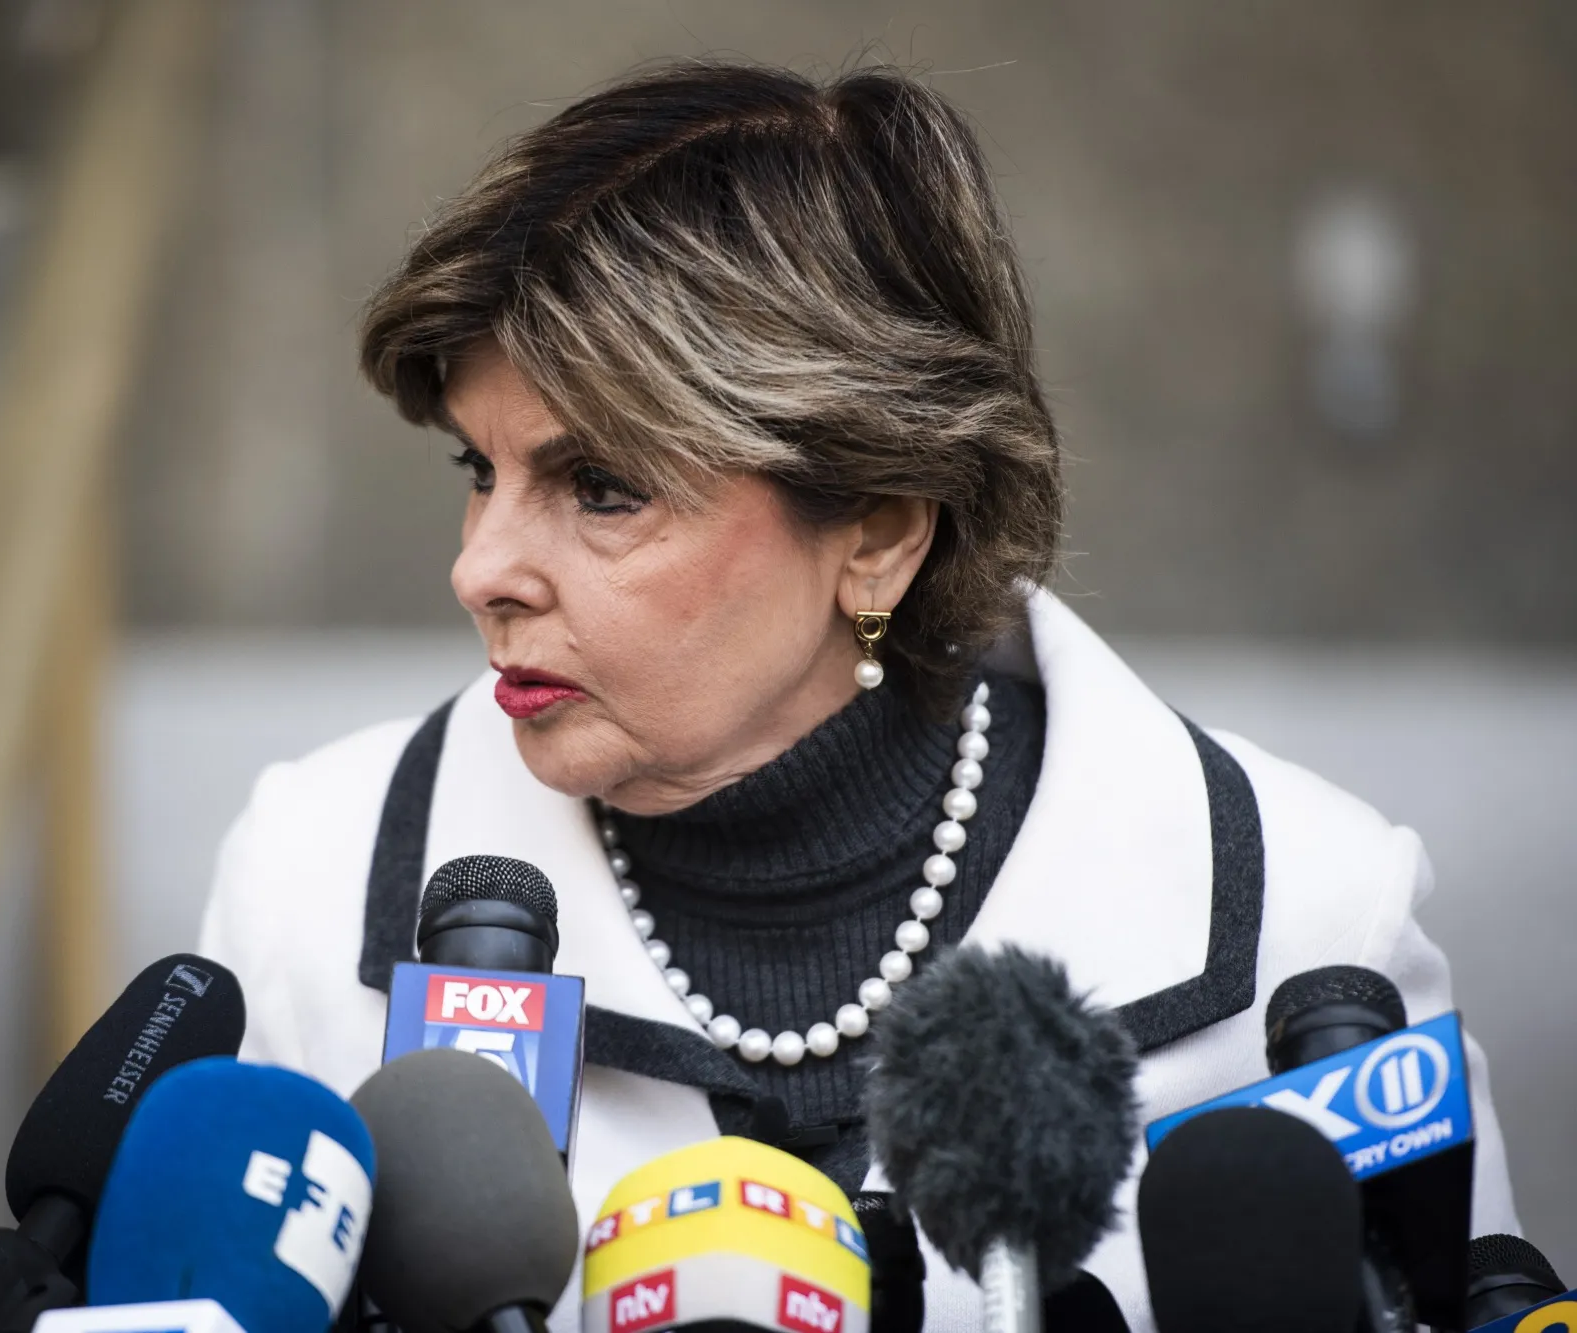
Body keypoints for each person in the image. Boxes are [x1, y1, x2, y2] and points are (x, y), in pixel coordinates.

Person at [198, 60, 1516, 1328]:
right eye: (476, 470)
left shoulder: (1312, 918)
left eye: (602, 487)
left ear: (881, 528)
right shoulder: (309, 883)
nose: (479, 568)